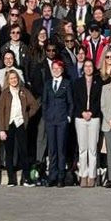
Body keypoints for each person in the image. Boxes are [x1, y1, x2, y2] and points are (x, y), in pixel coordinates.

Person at [0, 66, 39, 186]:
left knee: (23, 152)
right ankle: (11, 179)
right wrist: (1, 129)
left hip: (21, 124)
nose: (14, 80)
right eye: (11, 78)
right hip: (8, 125)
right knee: (9, 153)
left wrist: (26, 115)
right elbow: (0, 112)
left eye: (15, 78)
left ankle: (26, 179)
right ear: (8, 80)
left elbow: (34, 105)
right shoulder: (5, 93)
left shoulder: (24, 91)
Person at [41, 56, 73, 187]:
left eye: (58, 68)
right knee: (52, 150)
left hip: (62, 120)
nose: (56, 70)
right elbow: (44, 101)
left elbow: (70, 102)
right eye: (54, 68)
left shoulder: (67, 83)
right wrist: (45, 116)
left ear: (62, 69)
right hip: (50, 120)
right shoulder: (48, 83)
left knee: (61, 149)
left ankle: (61, 176)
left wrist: (68, 117)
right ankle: (52, 176)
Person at [72, 55, 102, 186]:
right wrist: (82, 112)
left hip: (94, 117)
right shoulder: (77, 82)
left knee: (93, 148)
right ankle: (83, 174)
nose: (88, 68)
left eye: (90, 66)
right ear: (83, 68)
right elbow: (75, 100)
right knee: (82, 148)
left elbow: (100, 101)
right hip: (80, 117)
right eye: (86, 66)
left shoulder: (98, 82)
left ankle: (92, 175)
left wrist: (91, 112)